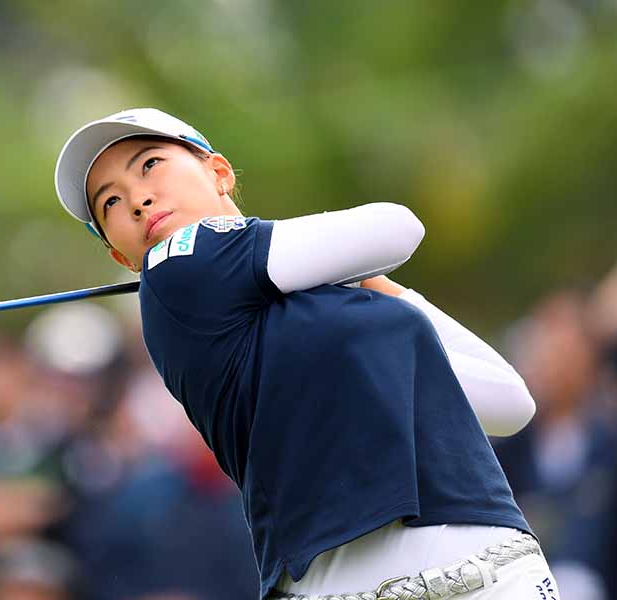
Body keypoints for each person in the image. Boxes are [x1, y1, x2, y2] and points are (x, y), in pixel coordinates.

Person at [52, 108, 559, 600]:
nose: (138, 198)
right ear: (121, 256)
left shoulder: (349, 300)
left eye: (149, 164)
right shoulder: (174, 267)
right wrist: (354, 269)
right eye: (111, 203)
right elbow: (397, 228)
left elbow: (511, 403)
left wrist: (380, 287)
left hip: (493, 565)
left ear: (218, 171)